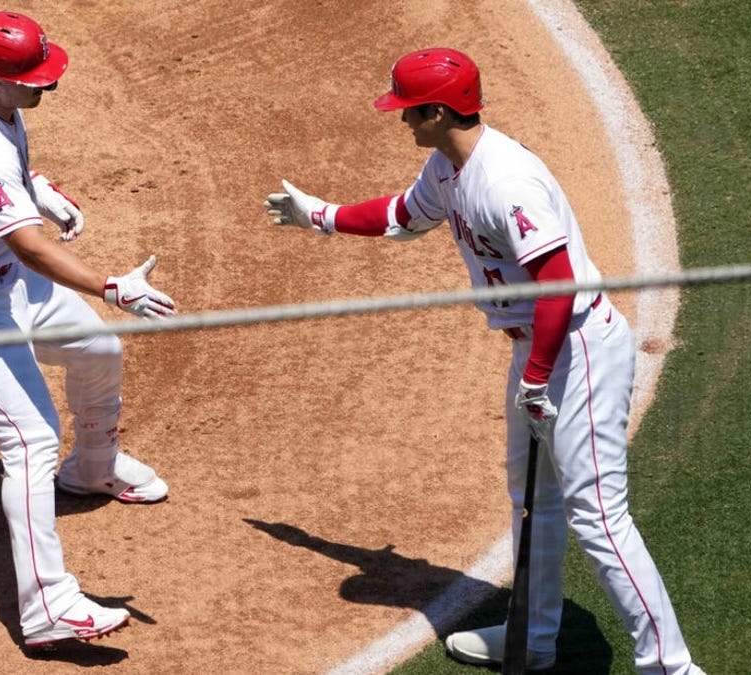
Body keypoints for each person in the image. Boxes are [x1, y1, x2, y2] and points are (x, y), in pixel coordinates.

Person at [264, 48, 704, 674]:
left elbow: (558, 284)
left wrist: (535, 375)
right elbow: (403, 216)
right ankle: (534, 639)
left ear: (438, 111)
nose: (401, 121)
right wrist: (322, 216)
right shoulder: (448, 168)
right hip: (540, 350)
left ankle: (672, 667)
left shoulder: (505, 181)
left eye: (407, 111)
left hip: (575, 348)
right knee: (534, 503)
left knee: (599, 518)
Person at [0, 11, 176, 650]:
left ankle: (94, 469)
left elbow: (1, 195)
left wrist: (36, 186)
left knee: (99, 348)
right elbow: (29, 247)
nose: (42, 90)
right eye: (30, 82)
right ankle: (48, 607)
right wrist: (113, 286)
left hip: (2, 280)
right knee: (30, 442)